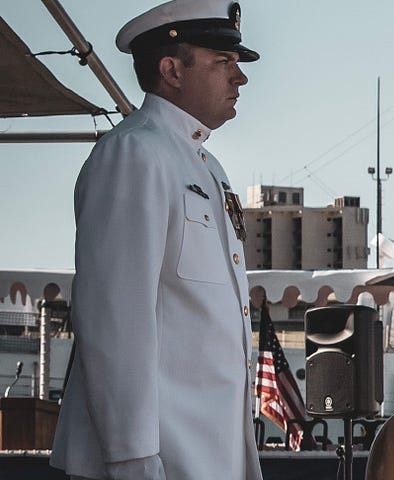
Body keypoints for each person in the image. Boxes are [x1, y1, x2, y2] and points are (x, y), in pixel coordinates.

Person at [53, 1, 260, 478]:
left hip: (204, 455)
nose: (239, 78)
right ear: (171, 70)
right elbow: (115, 315)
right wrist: (132, 457)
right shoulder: (135, 152)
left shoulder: (205, 166)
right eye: (223, 62)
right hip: (155, 456)